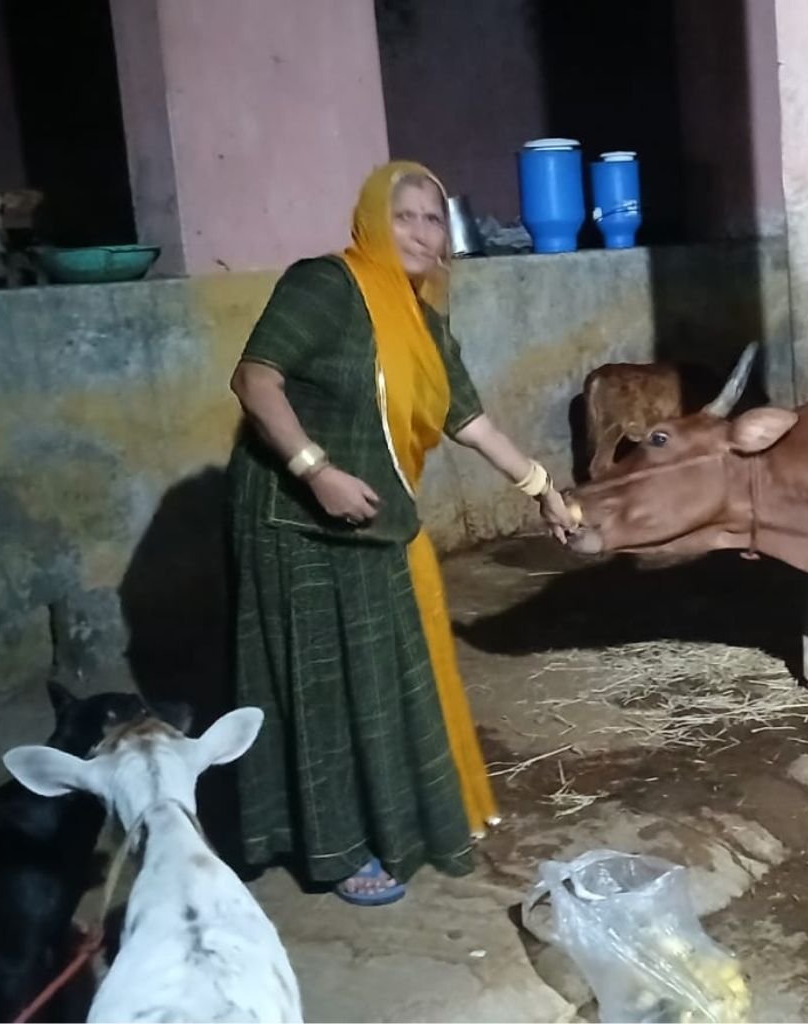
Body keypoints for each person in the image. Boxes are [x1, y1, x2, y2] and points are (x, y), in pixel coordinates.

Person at [226, 160, 575, 905]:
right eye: (404, 216)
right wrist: (315, 469)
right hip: (294, 518)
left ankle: (392, 820)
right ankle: (336, 847)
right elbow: (255, 379)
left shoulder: (424, 322)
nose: (420, 232)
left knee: (380, 674)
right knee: (321, 679)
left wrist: (542, 489)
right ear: (371, 222)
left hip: (375, 517)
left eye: (432, 218)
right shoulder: (325, 285)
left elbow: (469, 421)